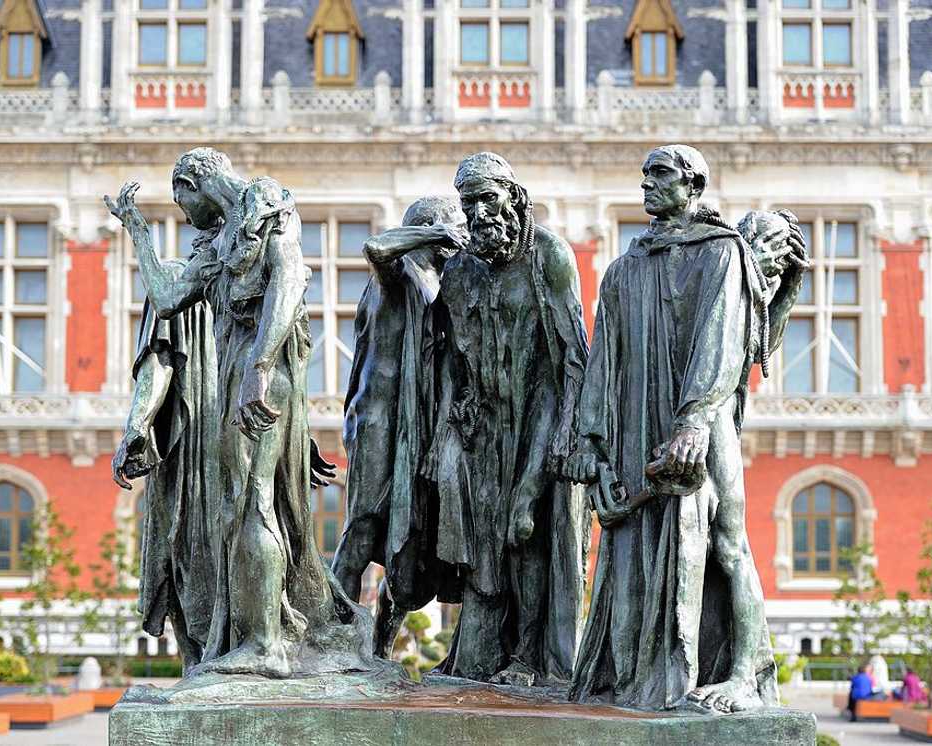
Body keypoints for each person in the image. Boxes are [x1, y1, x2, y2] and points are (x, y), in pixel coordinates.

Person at [106, 148, 372, 678]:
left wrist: (260, 367)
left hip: (259, 373)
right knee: (238, 506)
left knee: (253, 502)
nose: (184, 215)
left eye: (180, 201)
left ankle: (266, 644)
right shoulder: (219, 242)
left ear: (191, 183)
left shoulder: (264, 202)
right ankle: (259, 633)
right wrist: (137, 230)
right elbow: (168, 297)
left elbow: (289, 280)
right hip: (239, 375)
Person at [565, 145, 807, 713]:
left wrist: (694, 419)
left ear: (693, 184)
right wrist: (590, 443)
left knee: (727, 540)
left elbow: (725, 342)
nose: (646, 184)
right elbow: (604, 360)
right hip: (636, 423)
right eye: (644, 174)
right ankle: (638, 674)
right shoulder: (624, 269)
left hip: (704, 417)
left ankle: (745, 673)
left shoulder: (723, 252)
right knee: (633, 543)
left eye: (660, 174)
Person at [428, 152, 591, 686]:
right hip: (481, 430)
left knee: (527, 530)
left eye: (487, 199)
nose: (478, 213)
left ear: (514, 198)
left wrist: (563, 442)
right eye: (468, 203)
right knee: (482, 550)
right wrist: (454, 410)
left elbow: (572, 358)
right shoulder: (459, 270)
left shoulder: (549, 256)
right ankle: (479, 655)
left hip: (540, 420)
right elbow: (449, 355)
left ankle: (530, 658)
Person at [332, 196, 469, 656]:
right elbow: (375, 248)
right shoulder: (398, 273)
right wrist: (437, 233)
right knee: (363, 526)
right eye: (456, 226)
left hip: (419, 425)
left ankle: (378, 649)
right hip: (379, 419)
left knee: (410, 541)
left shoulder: (437, 283)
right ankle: (336, 644)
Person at [111, 261, 219, 672]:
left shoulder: (174, 281)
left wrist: (137, 427)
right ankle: (214, 662)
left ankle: (198, 665)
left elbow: (159, 361)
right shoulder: (247, 282)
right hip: (238, 435)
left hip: (189, 440)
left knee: (179, 546)